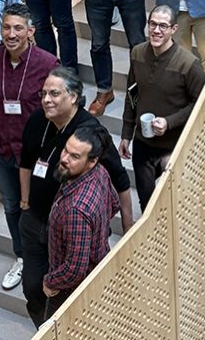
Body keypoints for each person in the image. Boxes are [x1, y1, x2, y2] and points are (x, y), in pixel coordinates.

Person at [19, 68, 131, 326]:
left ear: (74, 97)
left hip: (64, 227)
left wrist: (127, 226)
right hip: (34, 220)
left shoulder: (88, 133)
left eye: (54, 93)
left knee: (64, 296)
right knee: (32, 288)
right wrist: (24, 202)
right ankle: (44, 328)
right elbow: (25, 162)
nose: (47, 99)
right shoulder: (38, 121)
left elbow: (119, 179)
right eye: (44, 93)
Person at [0, 4, 58, 291]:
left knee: (41, 208)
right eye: (6, 27)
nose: (11, 34)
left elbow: (58, 109)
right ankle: (23, 256)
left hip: (36, 155)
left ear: (30, 31)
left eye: (17, 28)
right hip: (2, 150)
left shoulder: (48, 63)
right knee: (12, 207)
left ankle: (51, 258)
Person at [119, 5, 205, 211]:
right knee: (147, 203)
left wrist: (170, 122)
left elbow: (201, 103)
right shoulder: (138, 53)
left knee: (175, 203)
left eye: (163, 26)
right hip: (143, 142)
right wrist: (126, 134)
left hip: (172, 145)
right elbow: (132, 94)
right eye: (152, 24)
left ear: (174, 29)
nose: (156, 30)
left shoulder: (188, 64)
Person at [41, 125, 119, 318]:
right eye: (66, 150)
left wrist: (49, 281)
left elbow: (74, 269)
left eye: (75, 156)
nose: (64, 159)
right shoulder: (100, 172)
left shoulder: (76, 210)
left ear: (92, 161)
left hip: (70, 292)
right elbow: (114, 203)